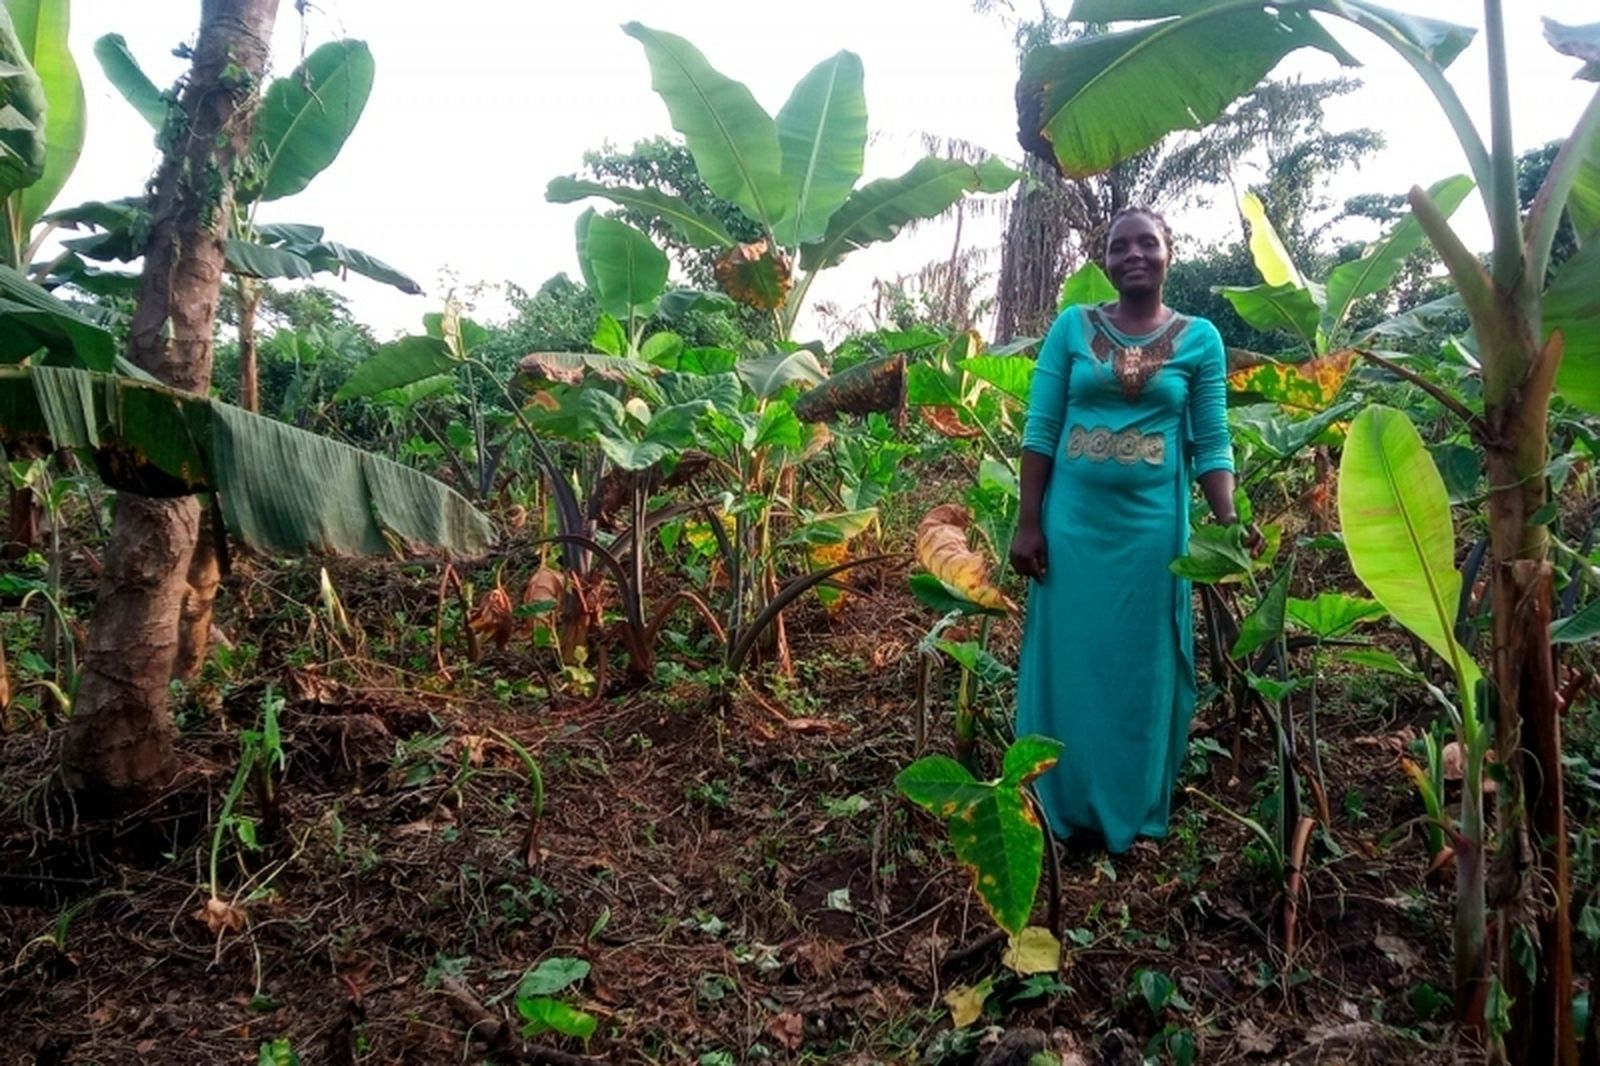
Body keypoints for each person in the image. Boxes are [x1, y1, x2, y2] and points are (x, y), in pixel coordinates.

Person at [1009, 206, 1241, 855]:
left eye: (1147, 243)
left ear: (1171, 252)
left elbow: (1212, 440)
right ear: (1104, 260)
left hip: (1153, 533)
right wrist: (1030, 522)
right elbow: (1042, 428)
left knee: (1143, 663)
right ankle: (1057, 800)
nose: (1133, 254)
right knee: (1071, 657)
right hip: (1074, 524)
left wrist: (1227, 525)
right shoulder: (1072, 329)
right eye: (1119, 246)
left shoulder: (1200, 339)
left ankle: (1132, 810)